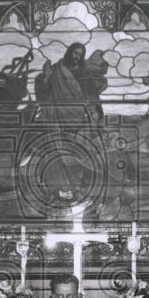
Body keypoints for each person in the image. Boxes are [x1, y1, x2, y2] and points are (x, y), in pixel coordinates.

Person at [33, 42, 108, 208]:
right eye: (75, 53)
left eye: (80, 54)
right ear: (69, 52)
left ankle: (86, 189)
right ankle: (57, 189)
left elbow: (92, 95)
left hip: (79, 118)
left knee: (84, 152)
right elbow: (44, 88)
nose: (77, 57)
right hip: (58, 117)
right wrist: (45, 78)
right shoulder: (56, 70)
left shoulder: (83, 73)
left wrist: (95, 112)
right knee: (56, 150)